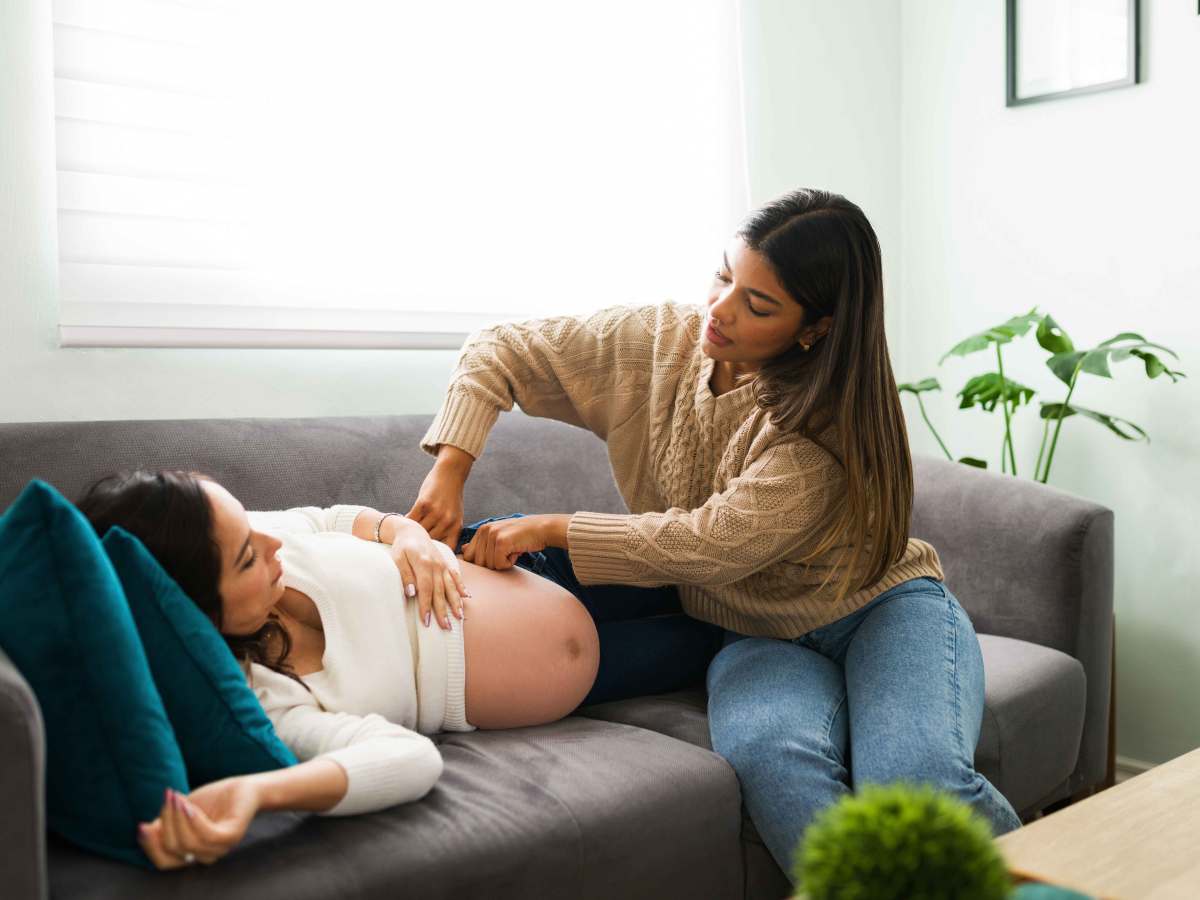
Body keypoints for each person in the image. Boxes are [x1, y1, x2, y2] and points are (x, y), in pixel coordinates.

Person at [406, 187, 1023, 880]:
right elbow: (503, 346)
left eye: (758, 305)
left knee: (918, 787)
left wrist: (551, 528)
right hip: (754, 633)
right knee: (777, 766)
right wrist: (450, 469)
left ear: (815, 328)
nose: (720, 311)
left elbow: (706, 543)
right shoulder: (658, 342)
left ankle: (1076, 879)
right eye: (725, 276)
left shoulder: (820, 431)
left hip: (883, 613)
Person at [76, 470, 721, 870]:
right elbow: (410, 761)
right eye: (247, 557)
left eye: (251, 525)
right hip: (591, 679)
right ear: (200, 614)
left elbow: (326, 519)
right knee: (731, 626)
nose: (271, 544)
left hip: (520, 561)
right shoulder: (271, 704)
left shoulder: (255, 540)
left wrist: (405, 535)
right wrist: (259, 793)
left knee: (719, 568)